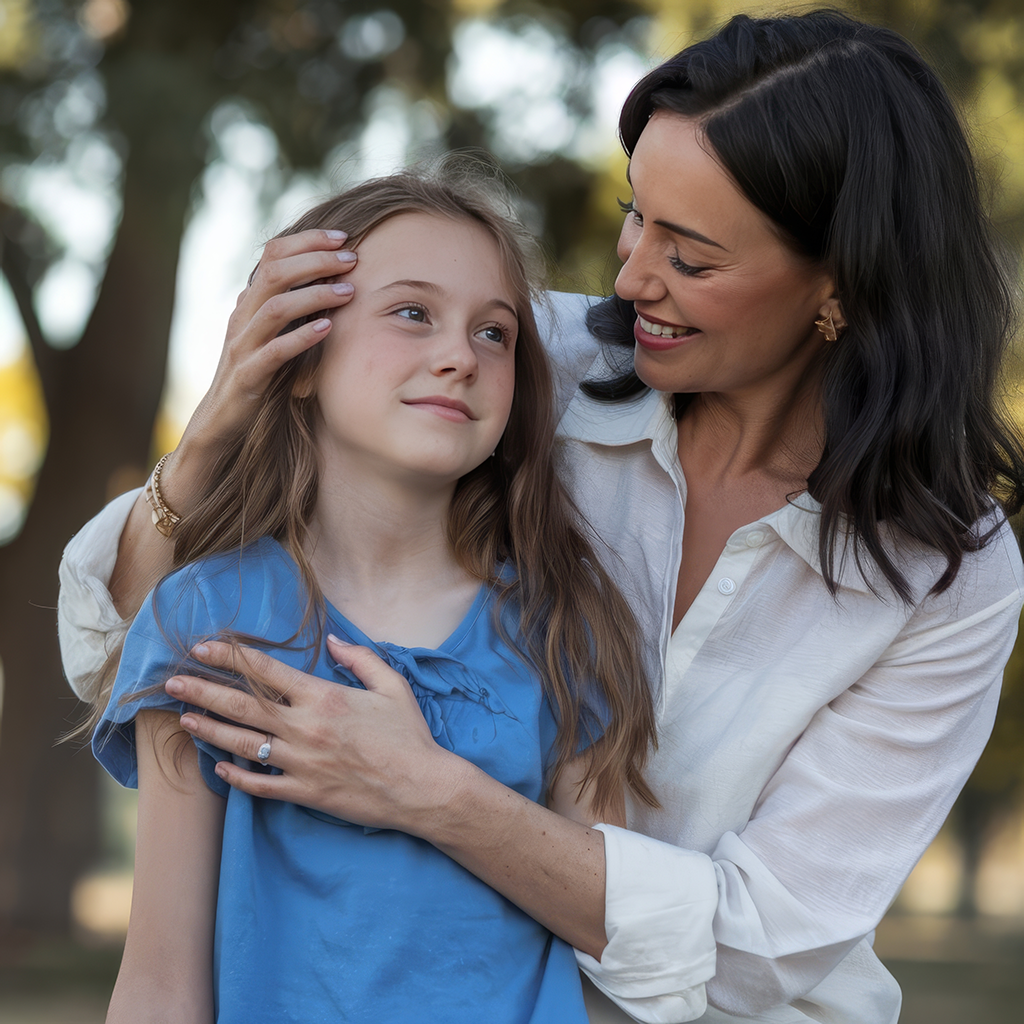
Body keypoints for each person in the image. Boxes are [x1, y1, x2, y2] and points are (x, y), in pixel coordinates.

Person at [59, 10, 1024, 1024]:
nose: (630, 276)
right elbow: (123, 648)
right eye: (633, 214)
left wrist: (426, 787)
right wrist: (217, 425)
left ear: (838, 284)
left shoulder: (944, 575)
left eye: (690, 257)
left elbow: (754, 949)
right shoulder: (514, 365)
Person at [80, 164, 659, 1024]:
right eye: (412, 312)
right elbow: (162, 979)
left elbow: (615, 950)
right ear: (300, 356)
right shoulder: (204, 620)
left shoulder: (563, 625)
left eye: (495, 333)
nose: (459, 354)